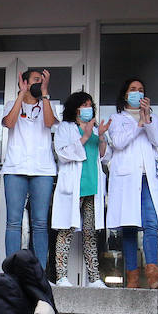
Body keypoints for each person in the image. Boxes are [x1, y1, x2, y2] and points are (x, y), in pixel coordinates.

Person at [105, 78, 158, 289]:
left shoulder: (151, 118)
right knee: (129, 226)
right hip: (127, 179)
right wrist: (139, 125)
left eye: (141, 90)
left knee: (151, 223)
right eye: (133, 90)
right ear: (125, 95)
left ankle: (153, 273)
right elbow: (118, 142)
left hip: (148, 178)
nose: (137, 92)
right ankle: (132, 279)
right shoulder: (116, 118)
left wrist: (147, 119)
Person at [1, 68, 58, 270]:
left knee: (40, 223)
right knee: (13, 223)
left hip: (42, 170)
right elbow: (9, 122)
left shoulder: (47, 105)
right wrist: (20, 95)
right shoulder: (11, 105)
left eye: (41, 81)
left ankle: (40, 273)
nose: (38, 83)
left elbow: (50, 123)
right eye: (35, 80)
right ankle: (12, 272)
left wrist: (45, 94)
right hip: (15, 168)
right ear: (24, 82)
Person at [52, 91, 107, 287]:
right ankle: (61, 276)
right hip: (74, 187)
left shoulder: (95, 128)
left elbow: (102, 155)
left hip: (93, 186)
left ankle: (94, 278)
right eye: (84, 104)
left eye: (90, 104)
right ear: (75, 107)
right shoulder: (65, 128)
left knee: (90, 233)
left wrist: (100, 137)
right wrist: (84, 136)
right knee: (66, 229)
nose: (88, 108)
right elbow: (63, 154)